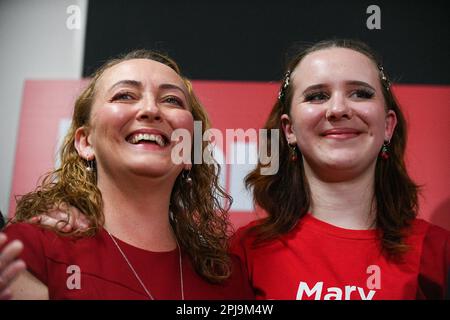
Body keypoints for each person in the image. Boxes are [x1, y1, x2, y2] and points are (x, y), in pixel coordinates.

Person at [0, 50, 254, 299]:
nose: (151, 109)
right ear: (86, 142)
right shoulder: (28, 250)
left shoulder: (226, 277)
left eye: (171, 100)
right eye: (124, 96)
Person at [231, 39, 449, 300]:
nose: (338, 109)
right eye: (317, 96)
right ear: (289, 130)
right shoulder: (245, 252)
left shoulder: (438, 251)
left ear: (388, 126)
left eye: (360, 93)